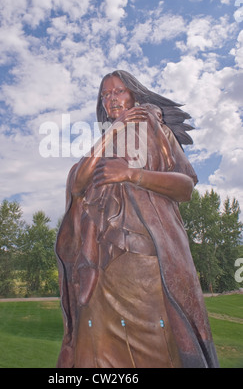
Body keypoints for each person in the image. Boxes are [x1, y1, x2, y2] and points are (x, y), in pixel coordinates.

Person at [55, 70, 219, 368]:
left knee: (157, 357)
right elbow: (78, 183)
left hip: (144, 266)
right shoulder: (107, 141)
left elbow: (185, 187)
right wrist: (113, 131)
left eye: (118, 91)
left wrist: (133, 174)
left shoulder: (159, 134)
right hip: (101, 274)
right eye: (105, 95)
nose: (110, 99)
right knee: (91, 358)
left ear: (134, 94)